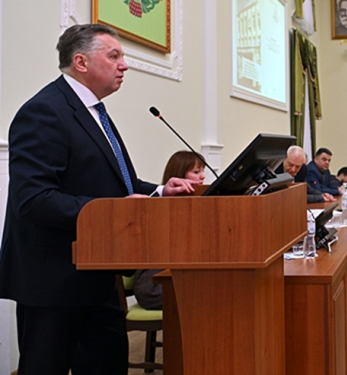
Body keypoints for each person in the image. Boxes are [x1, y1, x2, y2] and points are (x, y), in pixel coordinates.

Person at [0, 24, 195, 374]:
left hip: (98, 272)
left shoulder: (93, 111)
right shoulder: (45, 111)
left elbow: (116, 183)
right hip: (53, 279)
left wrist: (160, 190)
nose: (124, 65)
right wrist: (114, 211)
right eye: (114, 56)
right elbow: (33, 199)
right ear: (81, 62)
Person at [133, 151, 209, 310]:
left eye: (203, 171)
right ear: (179, 175)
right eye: (196, 172)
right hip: (154, 287)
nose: (202, 176)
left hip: (179, 281)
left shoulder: (196, 207)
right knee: (214, 293)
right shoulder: (159, 211)